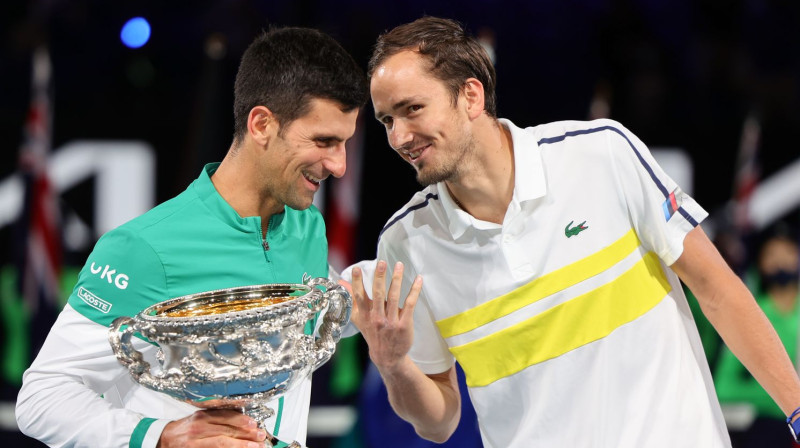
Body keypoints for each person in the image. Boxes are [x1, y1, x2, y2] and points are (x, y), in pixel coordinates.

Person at [346, 16, 800, 448]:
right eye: (387, 120)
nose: (399, 137)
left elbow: (717, 289)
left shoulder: (601, 153)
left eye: (412, 110)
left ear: (471, 96)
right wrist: (392, 364)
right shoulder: (406, 242)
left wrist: (797, 411)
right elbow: (439, 423)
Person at [15, 26, 367, 448]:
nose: (340, 165)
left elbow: (307, 314)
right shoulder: (143, 249)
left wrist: (372, 293)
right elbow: (43, 397)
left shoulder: (306, 226)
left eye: (344, 142)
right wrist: (160, 437)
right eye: (324, 141)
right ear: (261, 125)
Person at [715, 225, 800, 447]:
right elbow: (723, 386)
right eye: (772, 254)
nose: (781, 262)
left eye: (788, 253)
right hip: (770, 427)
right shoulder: (749, 315)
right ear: (760, 264)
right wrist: (783, 397)